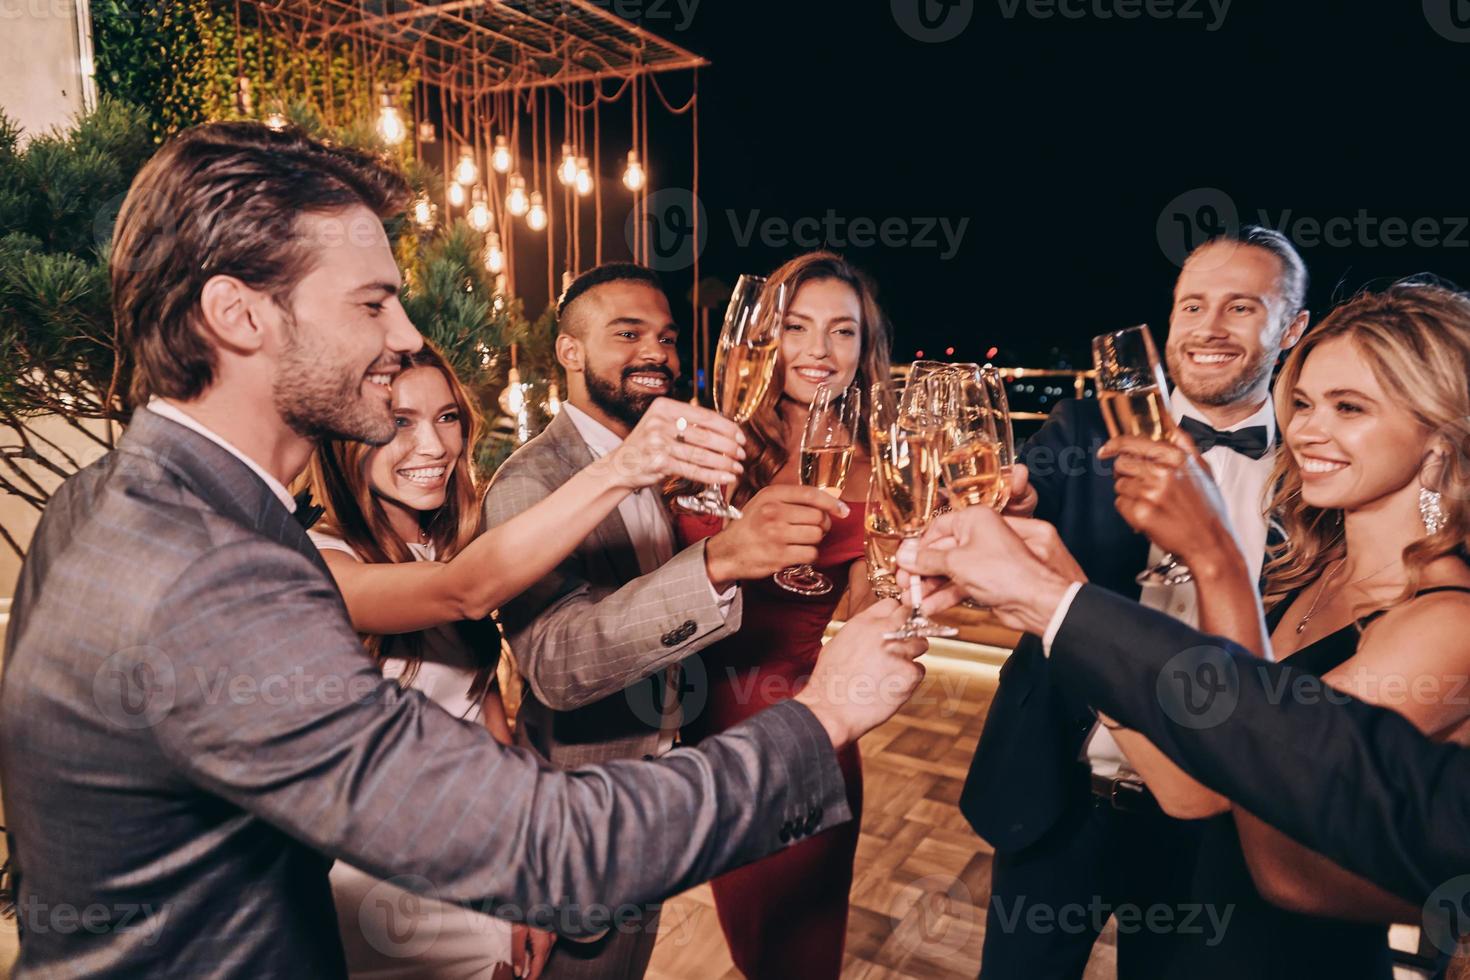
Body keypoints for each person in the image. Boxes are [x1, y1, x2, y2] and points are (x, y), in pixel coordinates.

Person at [0, 122, 928, 979]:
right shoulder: (214, 577)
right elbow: (554, 840)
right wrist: (826, 715)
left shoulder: (109, 495)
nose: (406, 337)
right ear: (239, 315)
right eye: (373, 304)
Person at [303, 342, 747, 978]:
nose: (433, 446)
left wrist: (526, 874)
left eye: (448, 417)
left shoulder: (451, 536)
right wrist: (621, 467)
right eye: (400, 422)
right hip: (385, 881)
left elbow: (486, 708)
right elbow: (460, 592)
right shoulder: (320, 560)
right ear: (347, 431)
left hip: (484, 854)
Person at [482, 261, 853, 979]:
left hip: (657, 797)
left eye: (668, 338)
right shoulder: (533, 479)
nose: (657, 353)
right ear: (569, 351)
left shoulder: (662, 465)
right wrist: (717, 563)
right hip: (579, 808)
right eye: (628, 334)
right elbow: (558, 666)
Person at [1090, 280, 1470, 977]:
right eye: (1300, 402)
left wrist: (1215, 560)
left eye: (1348, 408)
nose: (1304, 431)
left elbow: (1286, 869)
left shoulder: (1449, 624)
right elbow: (1195, 789)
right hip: (1189, 934)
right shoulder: (1308, 570)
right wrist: (1074, 634)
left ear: (1440, 435)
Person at [965, 226, 1310, 979]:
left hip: (1215, 824)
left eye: (1241, 308)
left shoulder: (1319, 467)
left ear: (1294, 327)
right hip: (1059, 792)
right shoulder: (1081, 431)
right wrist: (1007, 508)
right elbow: (1017, 508)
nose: (1208, 329)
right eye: (1192, 307)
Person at [672, 251, 891, 978]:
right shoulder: (709, 444)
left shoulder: (880, 467)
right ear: (765, 338)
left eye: (843, 332)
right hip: (700, 726)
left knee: (801, 948)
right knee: (750, 935)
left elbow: (868, 615)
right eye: (797, 328)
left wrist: (909, 562)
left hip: (807, 730)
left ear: (866, 349)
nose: (820, 352)